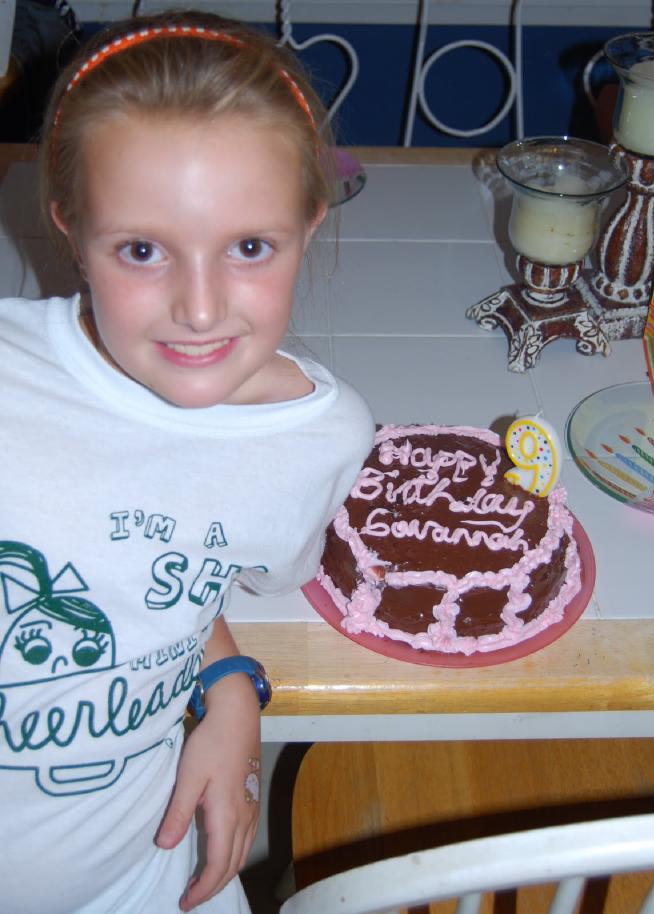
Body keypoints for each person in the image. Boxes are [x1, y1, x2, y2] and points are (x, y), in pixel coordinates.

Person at [0, 10, 374, 913]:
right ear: (70, 227)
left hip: (140, 885)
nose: (200, 309)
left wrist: (227, 680)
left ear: (309, 224)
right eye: (141, 250)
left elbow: (172, 564)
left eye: (249, 247)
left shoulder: (317, 441)